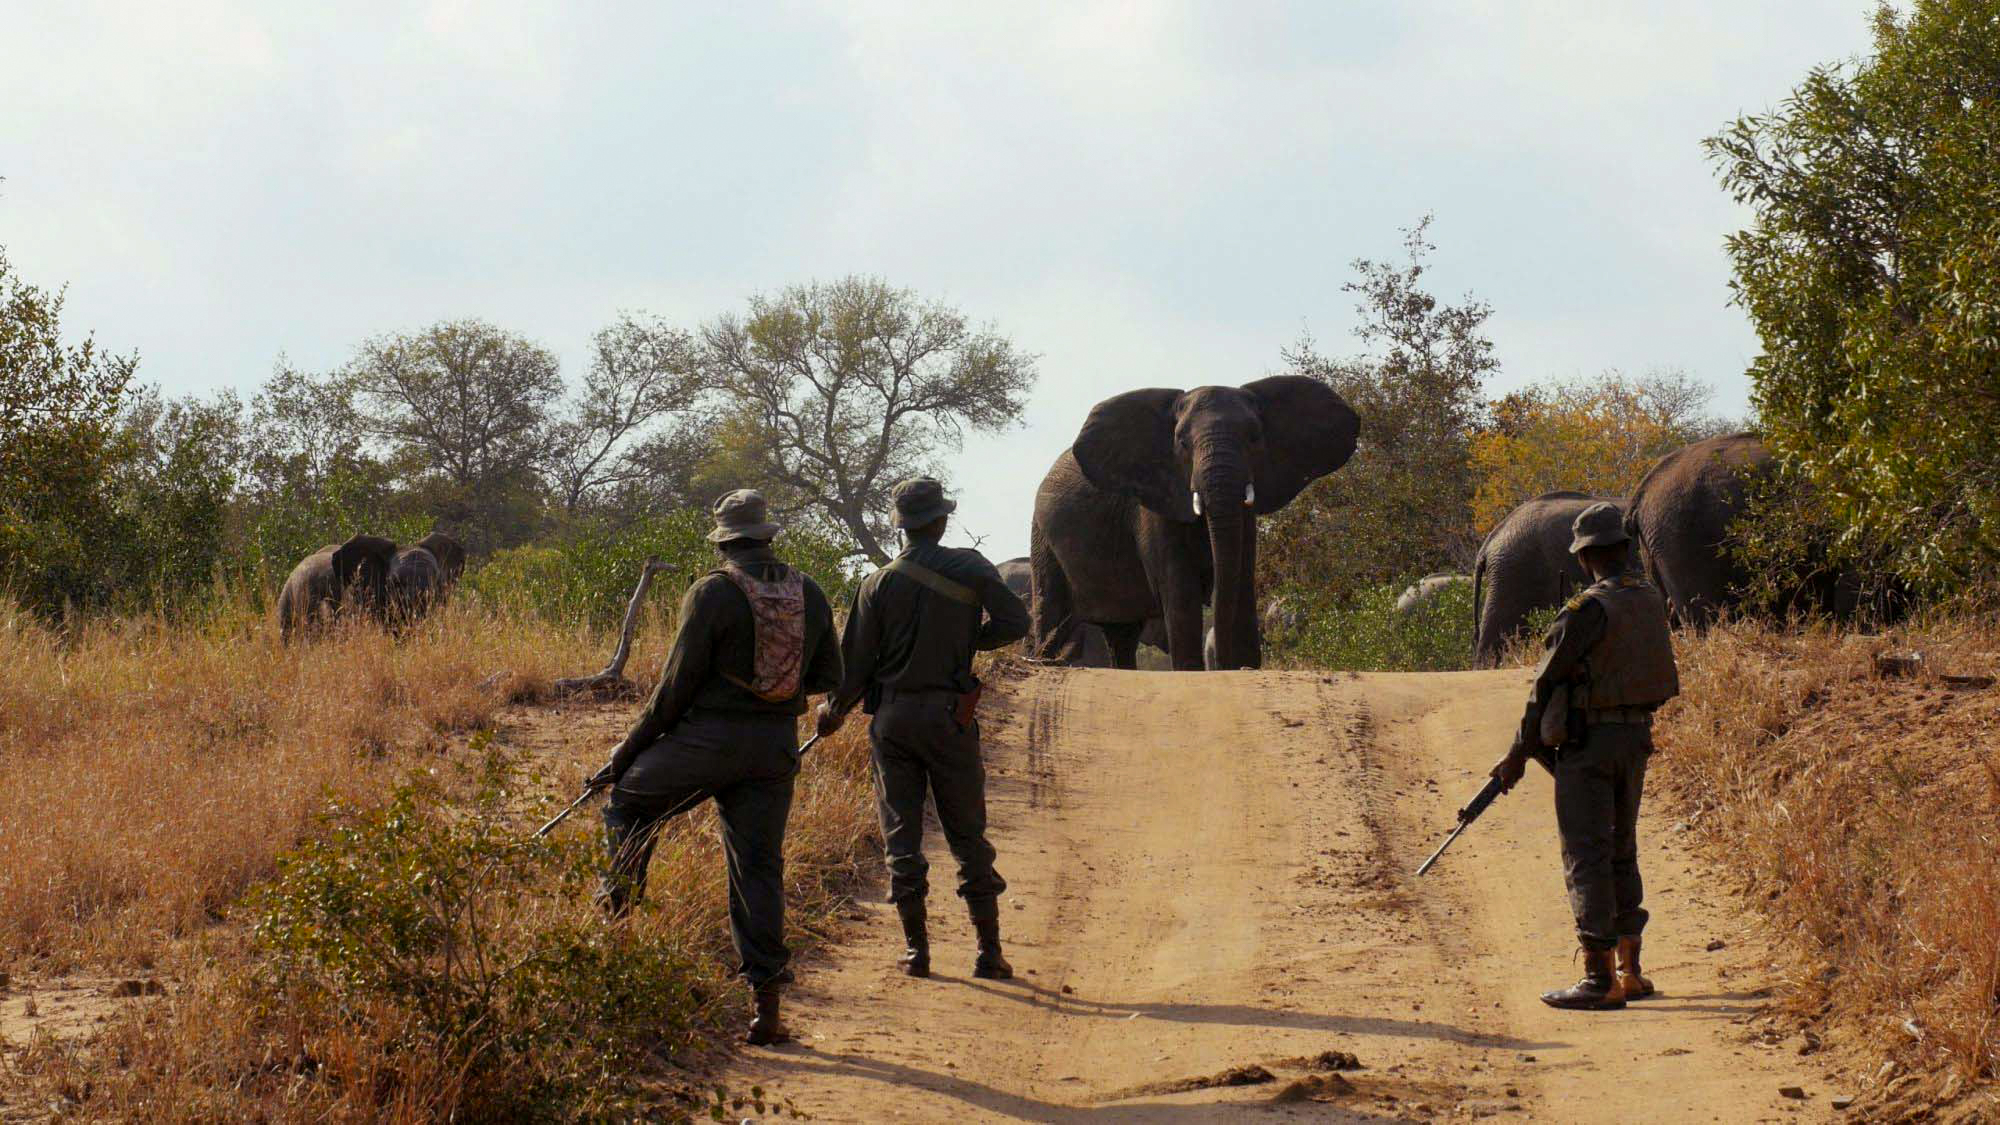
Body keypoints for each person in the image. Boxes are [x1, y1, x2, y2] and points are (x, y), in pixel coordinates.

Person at [587, 489, 842, 1046]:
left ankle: (616, 935)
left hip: (706, 742)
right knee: (758, 867)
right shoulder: (811, 592)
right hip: (774, 748)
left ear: (724, 539)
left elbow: (671, 693)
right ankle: (767, 1007)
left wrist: (622, 756)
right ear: (768, 534)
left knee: (628, 804)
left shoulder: (712, 592)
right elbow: (828, 675)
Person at [816, 477, 1030, 979]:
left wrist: (834, 710)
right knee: (968, 835)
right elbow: (1015, 621)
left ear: (900, 529)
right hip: (950, 719)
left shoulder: (876, 583)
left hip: (892, 722)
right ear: (941, 521)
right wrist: (967, 642)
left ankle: (918, 953)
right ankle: (989, 953)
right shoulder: (971, 567)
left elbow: (856, 666)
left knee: (901, 839)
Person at [1488, 501, 1679, 1011]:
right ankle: (1630, 969)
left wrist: (1515, 756)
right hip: (1635, 738)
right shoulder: (1649, 599)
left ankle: (1598, 979)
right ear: (1624, 549)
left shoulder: (1586, 610)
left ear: (1587, 557)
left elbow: (1543, 687)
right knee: (1622, 848)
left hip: (1589, 746)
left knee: (1586, 854)